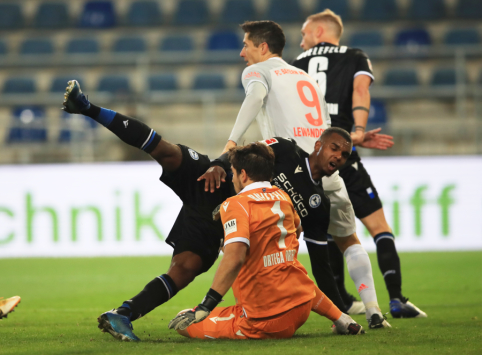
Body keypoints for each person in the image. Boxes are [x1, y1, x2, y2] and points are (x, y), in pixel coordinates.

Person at [62, 80, 364, 341]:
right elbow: (247, 154)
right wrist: (220, 165)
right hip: (214, 182)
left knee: (184, 270)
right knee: (165, 151)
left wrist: (339, 313)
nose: (338, 156)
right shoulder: (285, 149)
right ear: (319, 145)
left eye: (345, 154)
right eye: (335, 148)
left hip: (226, 219)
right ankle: (87, 107)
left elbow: (319, 266)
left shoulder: (319, 205)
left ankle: (123, 314)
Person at [208, 20, 390, 328]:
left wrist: (231, 141)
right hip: (327, 171)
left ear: (262, 48)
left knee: (252, 232)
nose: (242, 53)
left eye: (246, 45)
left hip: (292, 167)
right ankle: (373, 309)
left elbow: (254, 98)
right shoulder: (303, 76)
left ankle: (260, 305)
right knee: (348, 240)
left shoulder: (258, 71)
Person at [291, 9, 426, 318]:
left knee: (326, 231)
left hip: (310, 158)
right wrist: (359, 132)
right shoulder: (355, 56)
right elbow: (361, 90)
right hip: (342, 152)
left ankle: (340, 302)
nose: (301, 43)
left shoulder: (295, 66)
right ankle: (395, 299)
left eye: (304, 35)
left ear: (320, 32)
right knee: (379, 228)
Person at [168, 142, 364, 339]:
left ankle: (238, 319)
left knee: (183, 320)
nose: (233, 179)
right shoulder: (283, 197)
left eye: (234, 173)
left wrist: (207, 304)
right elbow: (297, 228)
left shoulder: (235, 204)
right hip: (300, 308)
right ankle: (342, 319)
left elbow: (234, 258)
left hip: (265, 321)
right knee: (289, 270)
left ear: (243, 175)